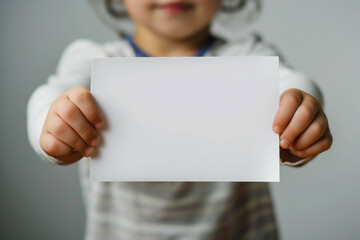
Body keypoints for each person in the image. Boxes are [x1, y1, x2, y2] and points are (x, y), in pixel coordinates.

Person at [27, 0, 333, 239]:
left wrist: (299, 113)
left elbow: (292, 84)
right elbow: (52, 94)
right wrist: (50, 126)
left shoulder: (249, 56)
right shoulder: (93, 61)